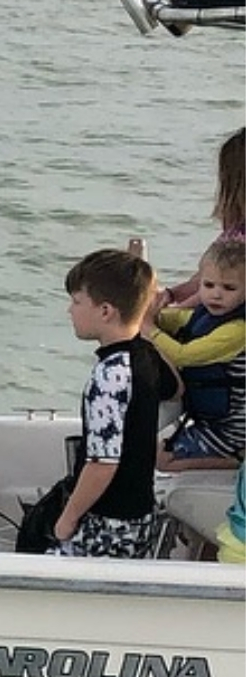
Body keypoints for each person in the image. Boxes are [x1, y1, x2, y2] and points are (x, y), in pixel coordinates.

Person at [50, 248, 180, 557]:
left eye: (77, 302)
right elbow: (175, 389)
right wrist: (146, 326)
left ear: (105, 311)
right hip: (141, 518)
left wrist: (67, 520)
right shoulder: (145, 356)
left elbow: (102, 463)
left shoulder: (110, 374)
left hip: (109, 525)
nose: (70, 310)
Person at [147, 236, 245, 472]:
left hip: (234, 429)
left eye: (229, 288)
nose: (216, 295)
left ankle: (237, 459)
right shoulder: (204, 315)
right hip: (211, 421)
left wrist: (147, 328)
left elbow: (183, 355)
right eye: (208, 285)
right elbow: (174, 319)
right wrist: (150, 311)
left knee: (162, 460)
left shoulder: (238, 330)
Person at [159, 127, 245, 305]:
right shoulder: (236, 229)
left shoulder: (240, 237)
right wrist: (171, 294)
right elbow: (207, 278)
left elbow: (215, 287)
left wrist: (167, 314)